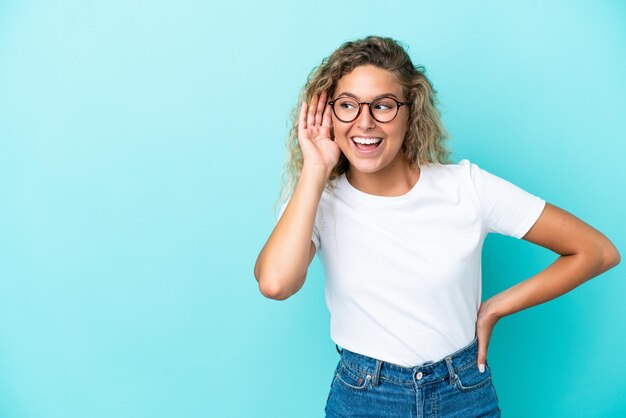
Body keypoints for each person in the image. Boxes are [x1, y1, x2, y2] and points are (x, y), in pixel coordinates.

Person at [253, 35, 620, 417]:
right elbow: (276, 283)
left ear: (411, 112)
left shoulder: (467, 188)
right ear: (329, 114)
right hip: (365, 397)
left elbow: (597, 251)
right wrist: (315, 168)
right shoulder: (317, 200)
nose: (364, 122)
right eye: (347, 105)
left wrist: (495, 308)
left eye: (383, 105)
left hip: (464, 393)